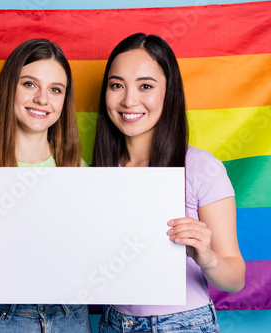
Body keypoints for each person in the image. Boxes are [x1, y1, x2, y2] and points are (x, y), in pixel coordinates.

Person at [93, 33, 246, 333]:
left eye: (145, 86)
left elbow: (235, 279)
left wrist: (206, 256)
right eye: (117, 85)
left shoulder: (202, 168)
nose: (128, 100)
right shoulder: (98, 171)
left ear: (169, 93)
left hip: (182, 324)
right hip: (112, 322)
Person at [0, 38, 91, 332]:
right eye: (29, 84)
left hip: (71, 317)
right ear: (9, 87)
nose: (42, 99)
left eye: (55, 90)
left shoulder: (78, 171)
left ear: (64, 101)